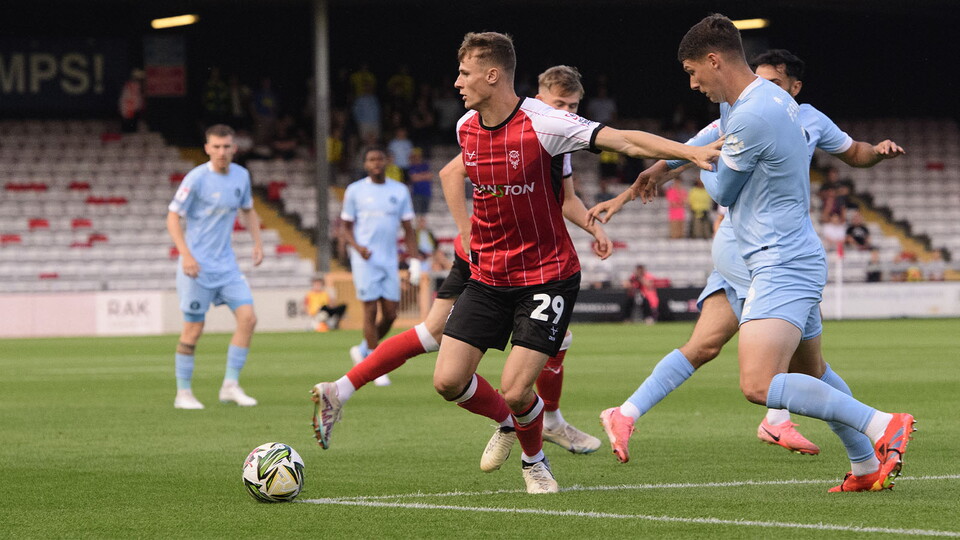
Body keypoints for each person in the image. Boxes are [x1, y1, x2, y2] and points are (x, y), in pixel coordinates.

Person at [592, 21, 913, 493]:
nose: (692, 82)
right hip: (789, 254)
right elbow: (694, 148)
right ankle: (865, 467)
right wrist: (673, 166)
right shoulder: (760, 101)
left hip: (779, 260)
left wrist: (703, 163)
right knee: (812, 370)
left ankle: (884, 423)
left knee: (759, 384)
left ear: (713, 60)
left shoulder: (752, 115)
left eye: (692, 71)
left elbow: (721, 186)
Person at [433, 32, 718, 494]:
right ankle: (511, 424)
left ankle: (534, 460)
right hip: (489, 276)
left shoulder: (544, 123)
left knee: (516, 388)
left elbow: (622, 141)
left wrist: (687, 152)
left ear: (492, 75)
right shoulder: (467, 127)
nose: (457, 82)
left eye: (464, 73)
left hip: (546, 276)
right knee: (447, 381)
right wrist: (467, 234)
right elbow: (460, 180)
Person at [310, 63, 623, 464]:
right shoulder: (522, 128)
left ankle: (342, 388)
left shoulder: (557, 141)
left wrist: (593, 229)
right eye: (561, 104)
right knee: (543, 341)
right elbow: (450, 171)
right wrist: (467, 232)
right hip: (491, 256)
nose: (569, 113)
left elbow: (566, 201)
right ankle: (546, 421)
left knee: (431, 335)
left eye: (575, 106)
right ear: (540, 100)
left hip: (504, 256)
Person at [166, 124, 263, 410]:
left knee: (248, 319)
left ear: (234, 148)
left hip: (227, 267)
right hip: (196, 268)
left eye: (227, 146)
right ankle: (183, 393)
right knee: (193, 330)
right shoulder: (195, 179)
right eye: (216, 147)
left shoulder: (241, 176)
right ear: (207, 148)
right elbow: (172, 218)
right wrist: (186, 255)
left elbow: (247, 209)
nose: (222, 152)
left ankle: (230, 386)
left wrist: (257, 242)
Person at [340, 147, 420, 388]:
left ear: (387, 162)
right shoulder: (355, 191)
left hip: (389, 259)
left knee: (392, 313)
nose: (375, 163)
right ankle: (376, 366)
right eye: (371, 159)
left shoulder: (399, 190)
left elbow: (408, 229)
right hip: (365, 260)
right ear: (365, 164)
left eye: (379, 159)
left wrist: (414, 260)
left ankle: (364, 350)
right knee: (370, 311)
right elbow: (344, 227)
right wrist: (357, 247)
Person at [118, 68, 145, 133]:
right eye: (139, 78)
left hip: (134, 112)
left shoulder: (137, 87)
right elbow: (125, 101)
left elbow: (138, 101)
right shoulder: (131, 86)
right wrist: (127, 113)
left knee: (135, 132)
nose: (141, 80)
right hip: (129, 113)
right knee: (129, 132)